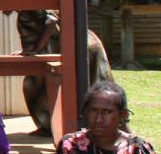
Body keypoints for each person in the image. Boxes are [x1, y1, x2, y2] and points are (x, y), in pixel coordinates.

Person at [15, 9, 114, 138]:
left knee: (92, 87)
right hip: (80, 43)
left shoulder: (30, 7)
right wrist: (30, 51)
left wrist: (37, 49)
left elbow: (51, 21)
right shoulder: (25, 11)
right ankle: (49, 127)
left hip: (80, 46)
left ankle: (105, 125)